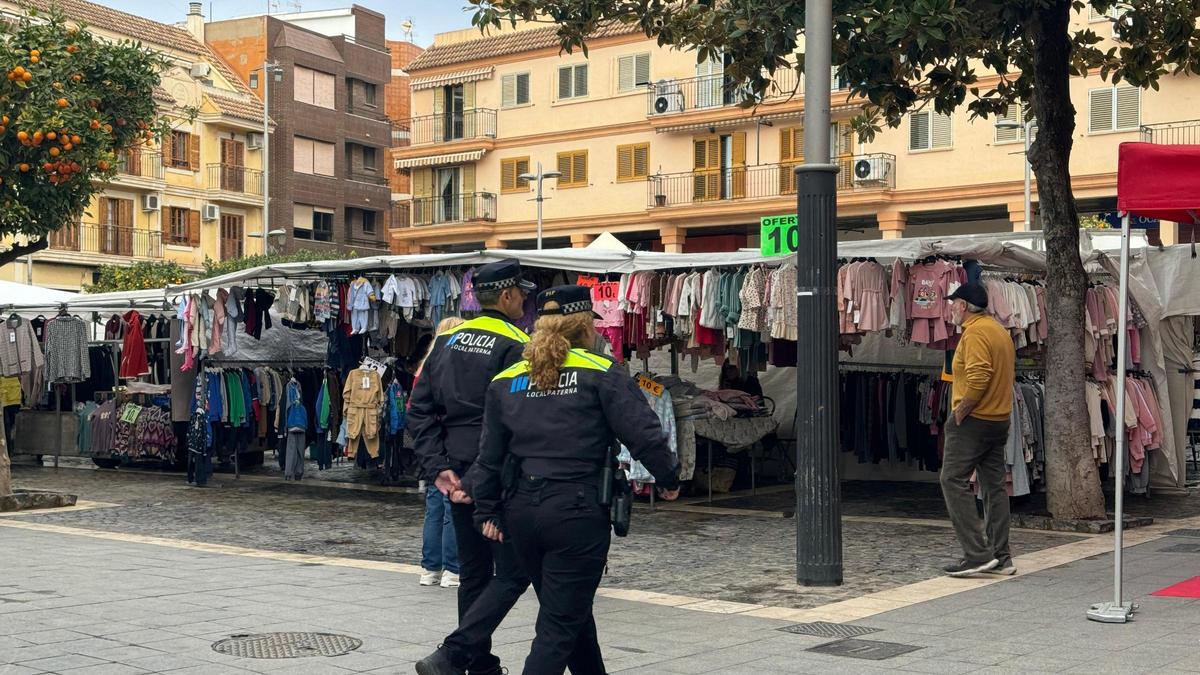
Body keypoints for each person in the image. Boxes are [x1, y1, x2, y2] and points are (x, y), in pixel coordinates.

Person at [423, 285, 681, 675]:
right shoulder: (601, 371)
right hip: (577, 512)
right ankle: (463, 654)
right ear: (583, 325)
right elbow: (644, 434)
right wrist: (668, 478)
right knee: (559, 626)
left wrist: (486, 511)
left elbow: (491, 456)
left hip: (522, 513)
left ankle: (458, 654)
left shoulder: (508, 378)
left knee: (570, 610)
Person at [408, 260, 535, 675]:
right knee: (514, 570)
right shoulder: (517, 343)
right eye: (522, 293)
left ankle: (478, 664)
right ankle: (457, 653)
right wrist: (484, 477)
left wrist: (438, 467)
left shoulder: (447, 340)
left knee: (474, 570)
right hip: (496, 473)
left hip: (455, 470)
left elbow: (419, 410)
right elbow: (510, 421)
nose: (525, 300)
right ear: (508, 295)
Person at [940, 282, 1017, 577]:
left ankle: (977, 554)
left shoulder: (974, 334)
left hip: (974, 421)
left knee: (952, 480)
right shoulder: (999, 331)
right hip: (999, 420)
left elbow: (979, 376)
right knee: (994, 487)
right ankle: (1001, 557)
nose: (949, 308)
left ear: (963, 305)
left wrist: (960, 412)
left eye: (952, 303)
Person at [417, 317, 466, 589]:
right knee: (449, 505)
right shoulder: (453, 367)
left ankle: (429, 568)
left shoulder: (427, 366)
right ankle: (452, 568)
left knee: (434, 506)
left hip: (430, 444)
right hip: (450, 441)